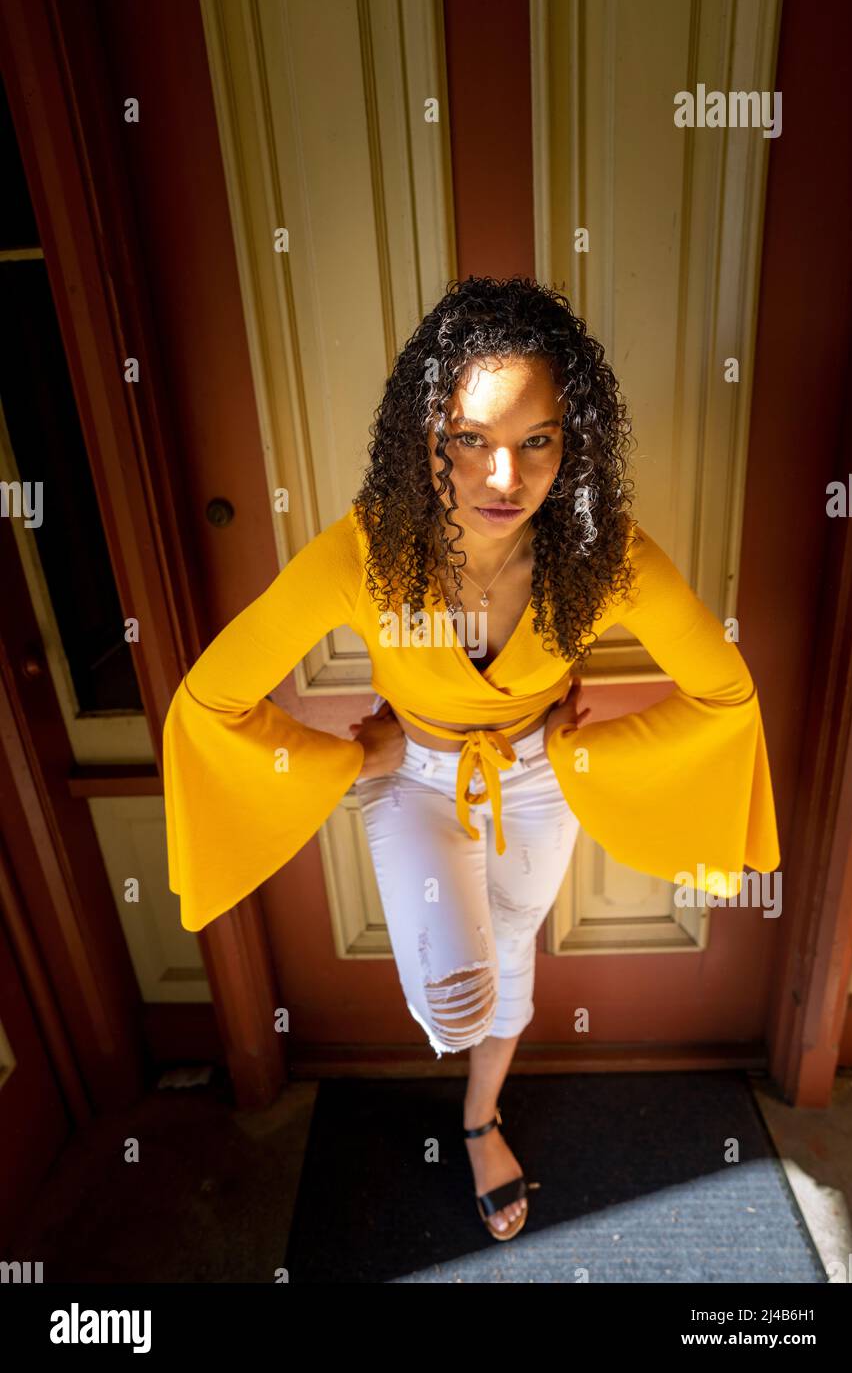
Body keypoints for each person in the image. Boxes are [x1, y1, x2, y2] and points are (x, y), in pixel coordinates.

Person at [162, 275, 780, 1242]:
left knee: (516, 959)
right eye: (473, 439)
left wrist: (588, 759)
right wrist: (347, 758)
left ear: (572, 441)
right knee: (457, 999)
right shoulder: (363, 555)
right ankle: (471, 1072)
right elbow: (206, 707)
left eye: (537, 440)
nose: (506, 478)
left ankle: (479, 1118)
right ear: (427, 436)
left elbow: (727, 696)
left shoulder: (602, 552)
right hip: (413, 780)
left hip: (537, 783)